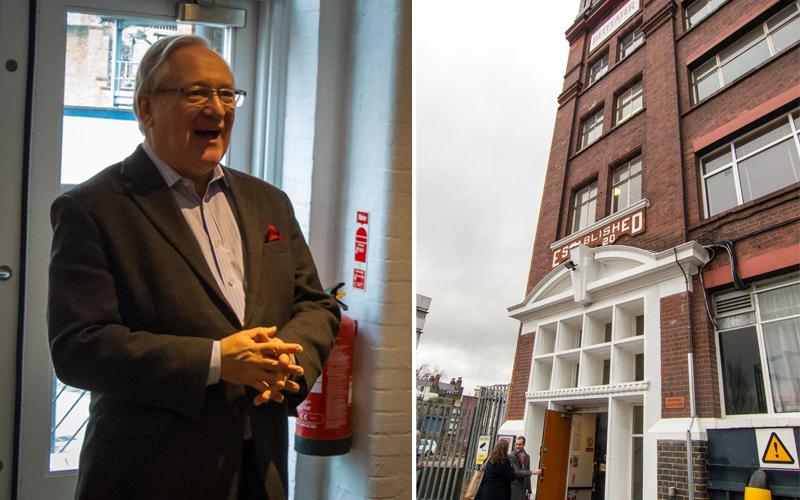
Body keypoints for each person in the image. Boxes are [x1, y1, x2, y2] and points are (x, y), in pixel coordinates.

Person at [47, 35, 340, 500]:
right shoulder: (92, 208)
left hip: (259, 468)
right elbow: (78, 347)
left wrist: (289, 360)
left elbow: (316, 304)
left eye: (228, 93)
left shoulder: (269, 201)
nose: (218, 108)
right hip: (150, 474)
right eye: (196, 93)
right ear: (146, 108)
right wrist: (218, 361)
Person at [509, 436, 541, 500]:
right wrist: (532, 472)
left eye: (520, 445)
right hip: (515, 487)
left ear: (524, 445)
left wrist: (529, 490)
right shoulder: (511, 456)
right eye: (516, 444)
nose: (517, 446)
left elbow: (527, 473)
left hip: (523, 488)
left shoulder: (527, 457)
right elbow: (516, 472)